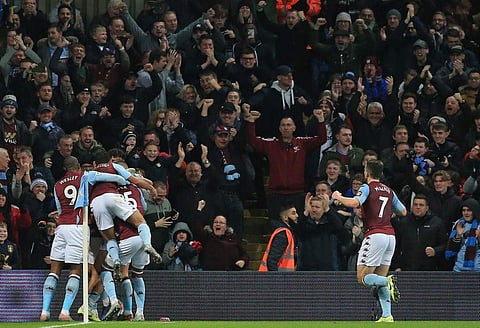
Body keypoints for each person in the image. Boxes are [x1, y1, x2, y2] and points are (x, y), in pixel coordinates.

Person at [40, 156, 130, 321]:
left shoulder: (57, 185)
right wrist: (124, 181)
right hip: (78, 226)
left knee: (54, 271)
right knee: (75, 270)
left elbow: (60, 210)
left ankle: (44, 311)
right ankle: (65, 312)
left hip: (61, 227)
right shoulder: (86, 176)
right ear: (79, 167)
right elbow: (114, 178)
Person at [332, 159, 407, 323]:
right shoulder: (389, 191)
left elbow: (355, 202)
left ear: (366, 172)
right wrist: (387, 212)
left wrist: (338, 196)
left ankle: (387, 281)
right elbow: (403, 211)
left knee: (363, 277)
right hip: (390, 237)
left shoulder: (367, 187)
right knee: (377, 281)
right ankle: (387, 315)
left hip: (374, 235)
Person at [245, 108, 326, 221]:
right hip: (276, 194)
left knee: (298, 227)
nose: (286, 127)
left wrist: (321, 120)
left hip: (297, 193)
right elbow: (253, 141)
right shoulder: (271, 145)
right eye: (283, 125)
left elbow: (322, 139)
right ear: (279, 128)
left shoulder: (302, 143)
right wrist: (251, 122)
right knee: (275, 225)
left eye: (288, 125)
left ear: (294, 127)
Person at [392, 194, 447, 271]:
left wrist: (435, 251)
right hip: (406, 269)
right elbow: (396, 245)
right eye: (415, 204)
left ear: (427, 208)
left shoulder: (437, 223)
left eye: (421, 205)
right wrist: (396, 266)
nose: (418, 207)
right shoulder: (403, 222)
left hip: (429, 270)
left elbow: (444, 244)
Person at [297, 194, 347, 271]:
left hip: (328, 268)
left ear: (324, 209)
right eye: (312, 206)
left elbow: (339, 228)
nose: (314, 210)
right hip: (306, 268)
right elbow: (298, 231)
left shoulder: (330, 224)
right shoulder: (305, 224)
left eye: (317, 207)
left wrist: (328, 209)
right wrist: (306, 211)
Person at [258, 204, 298, 271]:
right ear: (285, 217)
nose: (297, 215)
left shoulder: (286, 232)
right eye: (293, 213)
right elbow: (272, 261)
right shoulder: (283, 234)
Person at [445, 198, 480, 272]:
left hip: (476, 270)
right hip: (458, 268)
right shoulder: (458, 224)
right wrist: (458, 235)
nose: (466, 213)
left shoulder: (479, 226)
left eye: (469, 210)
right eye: (464, 210)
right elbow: (451, 249)